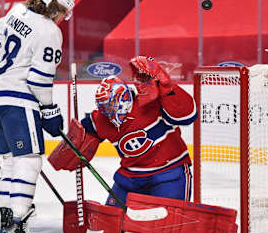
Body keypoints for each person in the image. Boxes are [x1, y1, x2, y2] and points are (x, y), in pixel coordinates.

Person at [0, 0, 74, 233]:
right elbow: (39, 79)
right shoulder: (51, 31)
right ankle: (17, 229)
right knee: (28, 162)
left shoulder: (17, 11)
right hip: (18, 101)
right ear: (61, 10)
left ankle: (7, 222)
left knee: (9, 162)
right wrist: (50, 110)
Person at [51, 56, 197, 210]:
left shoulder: (151, 102)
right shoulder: (102, 118)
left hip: (168, 174)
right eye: (104, 106)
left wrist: (168, 89)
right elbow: (84, 131)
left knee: (172, 224)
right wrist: (71, 143)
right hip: (131, 179)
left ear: (124, 98)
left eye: (111, 104)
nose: (108, 110)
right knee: (110, 224)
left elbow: (188, 116)